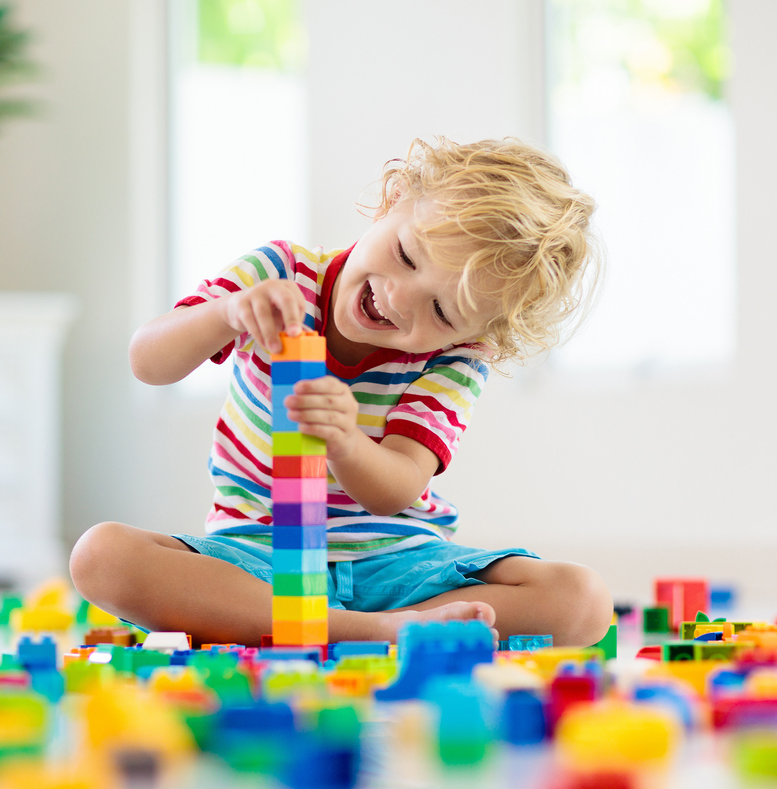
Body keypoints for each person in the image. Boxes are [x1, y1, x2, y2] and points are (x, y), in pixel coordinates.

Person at [71, 137, 613, 648]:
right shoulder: (280, 271)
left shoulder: (459, 358)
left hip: (396, 563)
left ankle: (336, 624)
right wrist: (225, 312)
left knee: (583, 600)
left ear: (475, 330)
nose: (400, 298)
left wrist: (344, 442)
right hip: (258, 554)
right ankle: (374, 631)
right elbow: (148, 361)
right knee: (101, 555)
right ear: (393, 200)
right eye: (406, 254)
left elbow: (397, 487)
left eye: (442, 311)